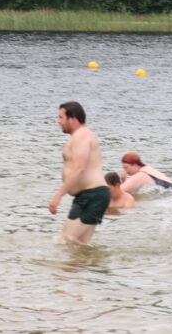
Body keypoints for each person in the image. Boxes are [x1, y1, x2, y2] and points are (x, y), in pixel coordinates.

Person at [49, 101, 109, 244]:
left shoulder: (82, 135)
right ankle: (89, 266)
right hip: (87, 196)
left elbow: (79, 168)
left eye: (61, 117)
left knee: (65, 241)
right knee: (79, 246)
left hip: (93, 196)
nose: (58, 122)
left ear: (73, 119)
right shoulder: (78, 136)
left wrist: (58, 195)